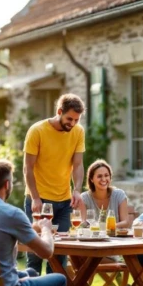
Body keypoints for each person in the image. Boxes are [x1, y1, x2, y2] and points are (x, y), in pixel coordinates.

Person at [23, 93, 86, 275]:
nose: (72, 123)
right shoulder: (37, 131)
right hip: (39, 200)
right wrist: (35, 198)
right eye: (69, 119)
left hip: (64, 202)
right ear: (59, 111)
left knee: (59, 255)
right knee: (35, 253)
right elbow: (28, 168)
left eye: (76, 119)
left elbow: (78, 164)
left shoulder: (78, 131)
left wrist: (77, 190)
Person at [79, 159, 130, 229]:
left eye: (106, 175)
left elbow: (125, 222)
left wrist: (106, 227)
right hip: (93, 238)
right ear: (91, 179)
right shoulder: (84, 198)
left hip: (116, 238)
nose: (103, 179)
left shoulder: (119, 195)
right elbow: (82, 224)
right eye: (99, 176)